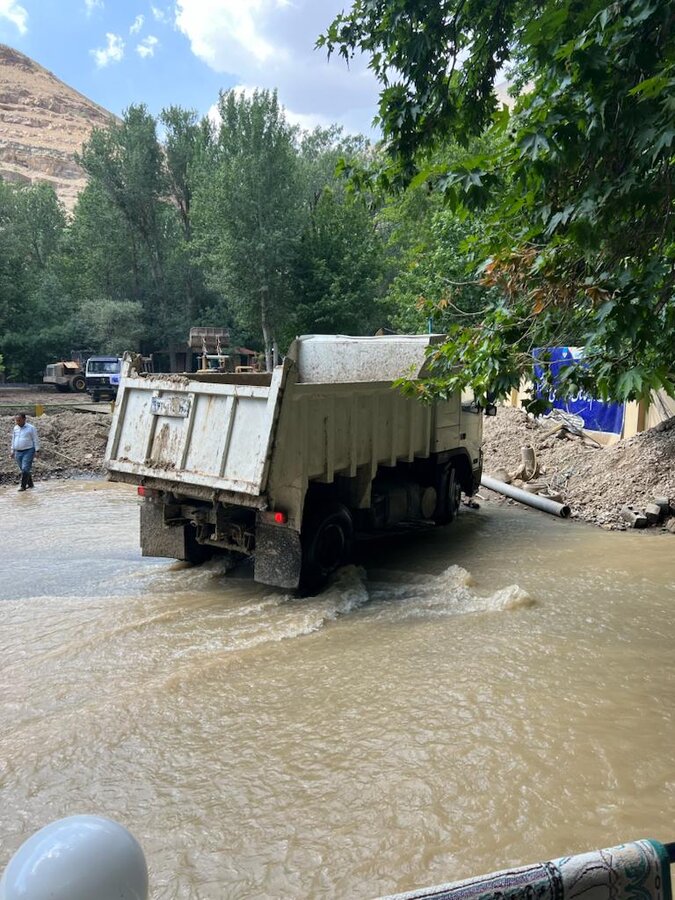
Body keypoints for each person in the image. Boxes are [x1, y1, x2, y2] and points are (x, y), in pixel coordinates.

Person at [10, 412, 40, 491]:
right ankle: (30, 484)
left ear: (24, 419)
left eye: (19, 420)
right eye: (16, 420)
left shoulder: (31, 428)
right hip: (18, 452)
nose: (17, 422)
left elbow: (35, 439)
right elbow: (13, 439)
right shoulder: (15, 428)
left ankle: (23, 486)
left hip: (28, 451)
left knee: (25, 469)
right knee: (24, 470)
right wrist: (12, 450)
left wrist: (37, 450)